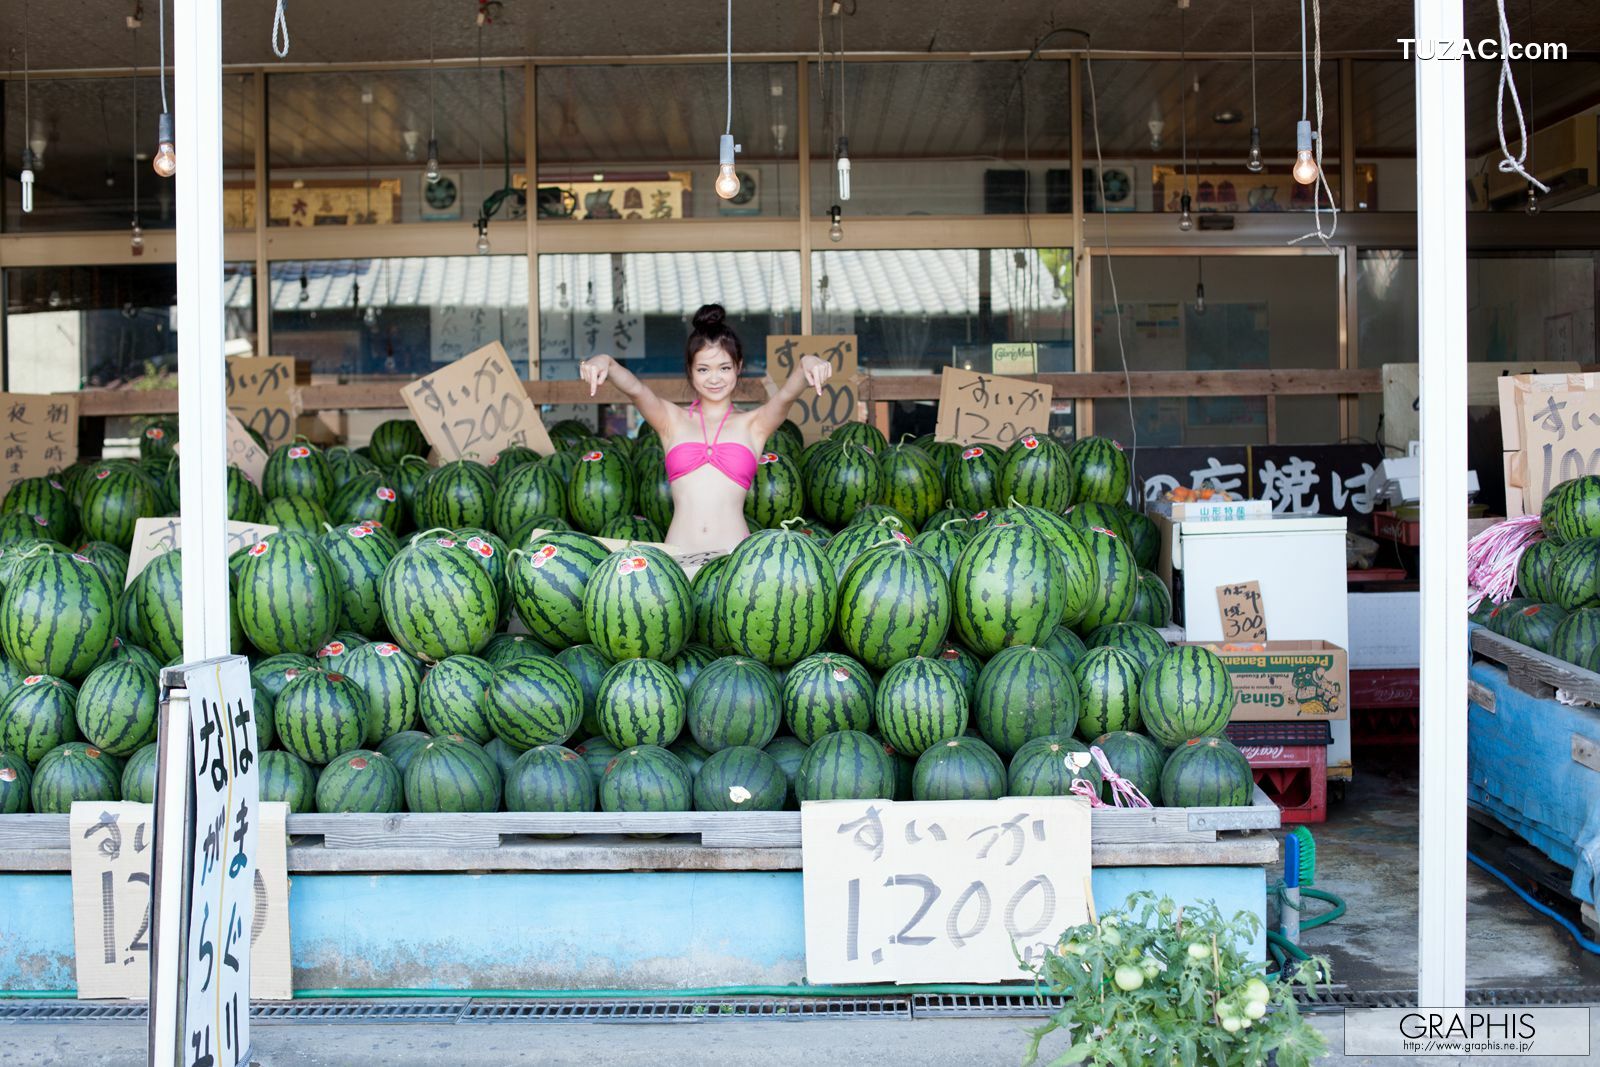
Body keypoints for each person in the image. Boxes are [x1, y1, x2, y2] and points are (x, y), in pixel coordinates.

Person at [578, 304, 831, 553]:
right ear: (690, 370)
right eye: (703, 369)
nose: (714, 378)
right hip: (679, 561)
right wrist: (607, 363)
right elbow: (636, 390)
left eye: (724, 368)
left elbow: (786, 396)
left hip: (734, 564)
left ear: (738, 367)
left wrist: (807, 363)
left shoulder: (755, 424)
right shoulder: (671, 420)